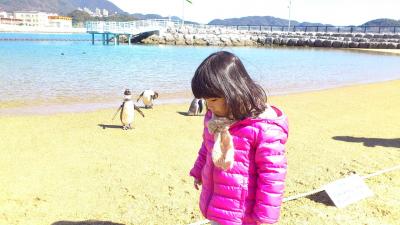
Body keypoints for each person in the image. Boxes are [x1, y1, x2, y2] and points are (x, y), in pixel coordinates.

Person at [189, 51, 289, 225]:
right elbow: (207, 146)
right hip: (218, 200)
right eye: (205, 100)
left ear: (233, 92)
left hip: (244, 211)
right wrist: (198, 171)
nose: (209, 106)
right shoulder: (214, 120)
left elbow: (272, 174)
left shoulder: (263, 127)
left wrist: (265, 216)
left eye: (213, 99)